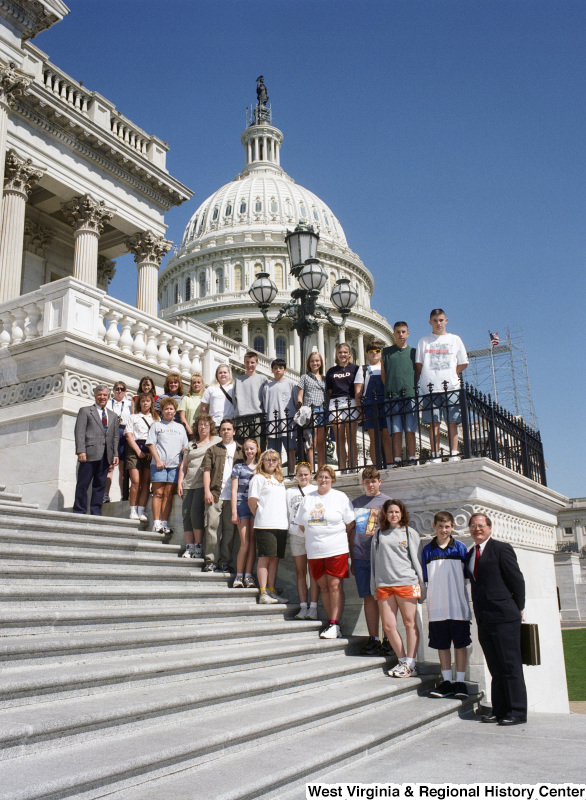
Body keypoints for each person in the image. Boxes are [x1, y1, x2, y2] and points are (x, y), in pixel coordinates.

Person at [467, 513, 527, 725]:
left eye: (481, 526)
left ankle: (517, 712)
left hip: (504, 617)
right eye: (473, 526)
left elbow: (517, 580)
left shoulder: (502, 549)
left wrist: (519, 607)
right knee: (495, 666)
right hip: (484, 618)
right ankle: (500, 710)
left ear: (490, 528)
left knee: (510, 666)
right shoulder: (471, 553)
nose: (477, 529)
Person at [295, 464, 354, 638]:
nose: (323, 480)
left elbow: (350, 522)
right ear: (316, 479)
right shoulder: (308, 498)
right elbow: (301, 524)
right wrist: (316, 536)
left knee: (335, 585)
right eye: (320, 477)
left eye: (327, 477)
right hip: (315, 550)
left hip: (336, 548)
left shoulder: (340, 497)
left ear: (332, 480)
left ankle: (335, 624)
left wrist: (335, 535)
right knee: (324, 587)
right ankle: (330, 623)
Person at [371, 499, 426, 677]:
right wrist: (375, 584)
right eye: (390, 512)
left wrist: (421, 586)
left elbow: (417, 561)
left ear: (402, 514)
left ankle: (411, 662)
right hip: (384, 585)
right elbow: (374, 562)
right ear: (385, 515)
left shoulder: (410, 533)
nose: (393, 515)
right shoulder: (379, 534)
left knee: (410, 623)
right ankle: (402, 661)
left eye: (397, 512)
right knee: (388, 625)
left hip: (406, 582)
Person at [421, 511, 471, 698]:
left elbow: (466, 578)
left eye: (447, 526)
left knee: (460, 645)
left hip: (458, 607)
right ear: (434, 526)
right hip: (437, 608)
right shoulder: (427, 550)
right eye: (440, 526)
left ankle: (460, 682)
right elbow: (426, 580)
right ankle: (447, 681)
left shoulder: (460, 548)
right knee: (442, 646)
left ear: (453, 527)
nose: (444, 530)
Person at [348, 466, 391, 655]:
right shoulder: (355, 503)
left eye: (373, 481)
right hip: (360, 556)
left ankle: (389, 638)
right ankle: (373, 637)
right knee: (368, 597)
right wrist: (351, 555)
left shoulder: (388, 502)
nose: (370, 485)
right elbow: (349, 531)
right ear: (362, 483)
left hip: (381, 557)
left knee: (385, 596)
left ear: (379, 482)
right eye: (367, 482)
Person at [415, 309, 468, 462]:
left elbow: (463, 363)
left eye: (441, 320)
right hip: (430, 387)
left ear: (446, 321)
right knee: (433, 422)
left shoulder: (455, 339)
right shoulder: (424, 341)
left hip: (450, 386)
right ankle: (435, 454)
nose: (438, 323)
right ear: (430, 322)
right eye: (435, 320)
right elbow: (419, 364)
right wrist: (428, 376)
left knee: (453, 421)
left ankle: (454, 452)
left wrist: (451, 373)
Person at [202, 418, 244, 573]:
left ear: (234, 431)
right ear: (220, 432)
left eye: (228, 429)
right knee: (212, 527)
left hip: (233, 497)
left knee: (229, 530)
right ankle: (211, 561)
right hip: (215, 494)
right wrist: (207, 491)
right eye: (223, 429)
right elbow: (207, 471)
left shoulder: (241, 450)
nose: (226, 432)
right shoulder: (212, 450)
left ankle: (225, 561)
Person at [248, 449, 289, 605]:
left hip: (281, 525)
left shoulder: (280, 480)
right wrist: (262, 515)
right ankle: (263, 592)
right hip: (265, 524)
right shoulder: (258, 478)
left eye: (274, 460)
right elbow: (252, 501)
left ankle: (271, 591)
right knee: (265, 558)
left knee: (274, 559)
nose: (271, 462)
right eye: (267, 460)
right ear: (262, 462)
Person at [177, 414, 221, 558]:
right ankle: (189, 547)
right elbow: (184, 465)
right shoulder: (191, 444)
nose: (203, 427)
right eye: (201, 425)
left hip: (203, 483)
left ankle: (198, 546)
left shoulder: (216, 441)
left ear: (211, 427)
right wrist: (180, 483)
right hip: (188, 483)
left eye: (206, 425)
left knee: (195, 514)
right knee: (186, 515)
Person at [73, 385, 119, 515]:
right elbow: (79, 432)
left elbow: (115, 436)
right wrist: (80, 450)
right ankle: (79, 510)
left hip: (106, 455)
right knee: (83, 484)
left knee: (100, 485)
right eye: (100, 394)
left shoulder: (113, 416)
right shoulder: (86, 411)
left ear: (108, 397)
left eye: (105, 395)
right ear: (95, 396)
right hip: (89, 453)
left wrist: (115, 454)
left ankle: (96, 512)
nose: (102, 397)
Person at [146, 397, 188, 536]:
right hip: (159, 465)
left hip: (175, 466)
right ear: (162, 411)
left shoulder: (180, 427)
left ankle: (164, 523)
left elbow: (184, 447)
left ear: (175, 411)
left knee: (168, 495)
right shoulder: (156, 426)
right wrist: (157, 460)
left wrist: (184, 459)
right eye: (166, 409)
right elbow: (151, 444)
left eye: (171, 409)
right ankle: (156, 523)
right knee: (158, 494)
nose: (169, 411)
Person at [381, 321, 418, 467]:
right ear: (394, 334)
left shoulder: (413, 352)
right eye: (398, 332)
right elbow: (384, 374)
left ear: (408, 334)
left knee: (410, 429)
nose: (401, 334)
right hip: (392, 395)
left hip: (409, 394)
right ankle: (397, 458)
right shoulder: (386, 352)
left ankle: (412, 457)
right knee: (395, 430)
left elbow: (418, 372)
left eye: (403, 332)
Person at [286, 462, 319, 620]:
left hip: (312, 535)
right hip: (295, 535)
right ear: (296, 475)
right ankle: (303, 606)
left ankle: (313, 607)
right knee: (300, 572)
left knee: (313, 573)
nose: (303, 477)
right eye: (300, 474)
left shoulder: (315, 490)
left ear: (311, 475)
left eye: (306, 474)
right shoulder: (290, 491)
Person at [325, 343, 363, 472]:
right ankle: (343, 468)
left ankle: (353, 467)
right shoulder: (331, 371)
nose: (342, 355)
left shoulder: (355, 369)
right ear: (337, 354)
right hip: (336, 403)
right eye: (340, 352)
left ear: (349, 354)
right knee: (339, 438)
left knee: (351, 438)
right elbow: (329, 392)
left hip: (350, 402)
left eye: (345, 352)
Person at [356, 340, 393, 467]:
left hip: (385, 403)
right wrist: (360, 410)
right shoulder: (364, 369)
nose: (374, 354)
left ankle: (389, 463)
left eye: (377, 351)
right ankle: (377, 464)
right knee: (373, 438)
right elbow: (358, 391)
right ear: (367, 354)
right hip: (370, 404)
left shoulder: (386, 368)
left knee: (387, 436)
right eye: (371, 351)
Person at [231, 438, 260, 587]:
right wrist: (234, 511)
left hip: (255, 507)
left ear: (256, 450)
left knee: (253, 542)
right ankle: (239, 575)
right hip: (242, 505)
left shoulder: (260, 468)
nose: (249, 451)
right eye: (247, 449)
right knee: (245, 543)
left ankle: (249, 576)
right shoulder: (238, 467)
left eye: (252, 449)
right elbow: (234, 490)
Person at [125, 393, 158, 521]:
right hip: (135, 449)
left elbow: (157, 437)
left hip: (149, 449)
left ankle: (141, 510)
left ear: (151, 403)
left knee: (146, 482)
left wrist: (151, 452)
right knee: (136, 481)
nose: (145, 403)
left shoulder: (156, 419)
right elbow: (129, 435)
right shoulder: (133, 417)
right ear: (139, 403)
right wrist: (138, 451)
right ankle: (132, 509)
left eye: (147, 401)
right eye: (143, 401)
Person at [262, 358, 297, 474]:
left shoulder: (291, 384)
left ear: (285, 370)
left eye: (280, 368)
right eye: (275, 368)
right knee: (273, 452)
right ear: (272, 370)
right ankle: (277, 474)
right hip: (272, 423)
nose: (278, 371)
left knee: (290, 449)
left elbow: (296, 403)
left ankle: (292, 473)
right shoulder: (267, 387)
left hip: (288, 423)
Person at [103, 381, 132, 502]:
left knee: (123, 467)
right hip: (111, 433)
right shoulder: (108, 403)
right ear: (113, 390)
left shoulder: (130, 404)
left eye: (122, 389)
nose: (119, 391)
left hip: (124, 433)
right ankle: (105, 494)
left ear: (125, 392)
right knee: (109, 466)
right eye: (117, 389)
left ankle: (123, 495)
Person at [297, 351, 327, 469]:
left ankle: (322, 468)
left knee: (321, 442)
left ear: (321, 363)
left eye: (317, 361)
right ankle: (312, 469)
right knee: (310, 442)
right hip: (310, 410)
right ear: (308, 363)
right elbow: (300, 395)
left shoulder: (324, 379)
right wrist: (300, 407)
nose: (315, 363)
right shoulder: (304, 377)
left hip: (323, 410)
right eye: (312, 361)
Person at [232, 351, 268, 447]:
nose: (249, 365)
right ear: (244, 363)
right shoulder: (237, 380)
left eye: (252, 362)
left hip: (258, 417)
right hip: (241, 417)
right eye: (247, 362)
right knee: (241, 447)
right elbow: (234, 400)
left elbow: (266, 399)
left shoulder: (263, 379)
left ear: (257, 363)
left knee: (259, 445)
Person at [178, 373, 205, 438]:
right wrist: (190, 432)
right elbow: (182, 417)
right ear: (191, 385)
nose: (196, 384)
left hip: (203, 433)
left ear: (202, 384)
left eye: (198, 382)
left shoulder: (205, 399)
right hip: (189, 433)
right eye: (194, 383)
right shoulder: (186, 398)